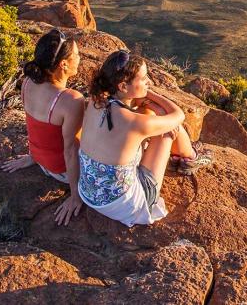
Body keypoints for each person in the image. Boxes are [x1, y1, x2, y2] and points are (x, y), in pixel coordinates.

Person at [78, 49, 213, 226]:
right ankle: (191, 159)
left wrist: (141, 94)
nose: (148, 82)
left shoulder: (95, 103)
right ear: (123, 86)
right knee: (169, 128)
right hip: (126, 206)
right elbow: (178, 115)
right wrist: (149, 95)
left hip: (88, 193)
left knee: (153, 118)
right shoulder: (134, 123)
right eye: (143, 79)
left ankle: (186, 155)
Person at [1, 28, 87, 226]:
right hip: (63, 172)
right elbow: (71, 150)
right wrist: (76, 195)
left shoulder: (28, 83)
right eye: (77, 55)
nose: (80, 58)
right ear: (64, 64)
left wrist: (33, 156)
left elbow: (35, 124)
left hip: (42, 162)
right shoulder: (71, 100)